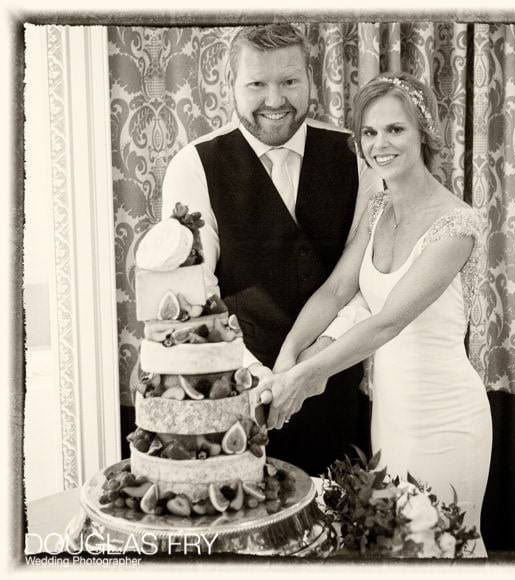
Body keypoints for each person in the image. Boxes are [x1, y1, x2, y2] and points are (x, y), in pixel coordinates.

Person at [264, 72, 493, 556]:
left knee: (440, 550)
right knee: (391, 548)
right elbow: (336, 291)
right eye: (369, 132)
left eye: (395, 130)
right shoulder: (377, 208)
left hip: (448, 420)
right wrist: (285, 361)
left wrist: (306, 375)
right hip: (390, 417)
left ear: (424, 134)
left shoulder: (457, 224)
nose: (379, 144)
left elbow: (387, 321)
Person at [162, 24, 378, 476]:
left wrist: (314, 365)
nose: (275, 100)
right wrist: (263, 381)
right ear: (231, 87)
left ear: (311, 82)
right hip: (237, 396)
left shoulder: (359, 156)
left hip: (336, 388)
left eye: (289, 81)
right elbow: (194, 297)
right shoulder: (193, 166)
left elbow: (366, 279)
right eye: (257, 84)